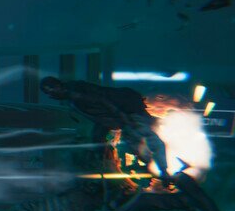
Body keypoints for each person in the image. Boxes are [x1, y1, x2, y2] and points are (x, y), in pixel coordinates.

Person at [41, 76, 173, 178]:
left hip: (128, 112)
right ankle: (158, 170)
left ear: (57, 86)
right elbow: (100, 115)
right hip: (124, 115)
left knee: (144, 140)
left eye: (51, 90)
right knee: (136, 144)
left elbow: (102, 101)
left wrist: (123, 117)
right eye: (48, 92)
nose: (51, 95)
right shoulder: (73, 96)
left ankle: (163, 171)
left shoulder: (77, 94)